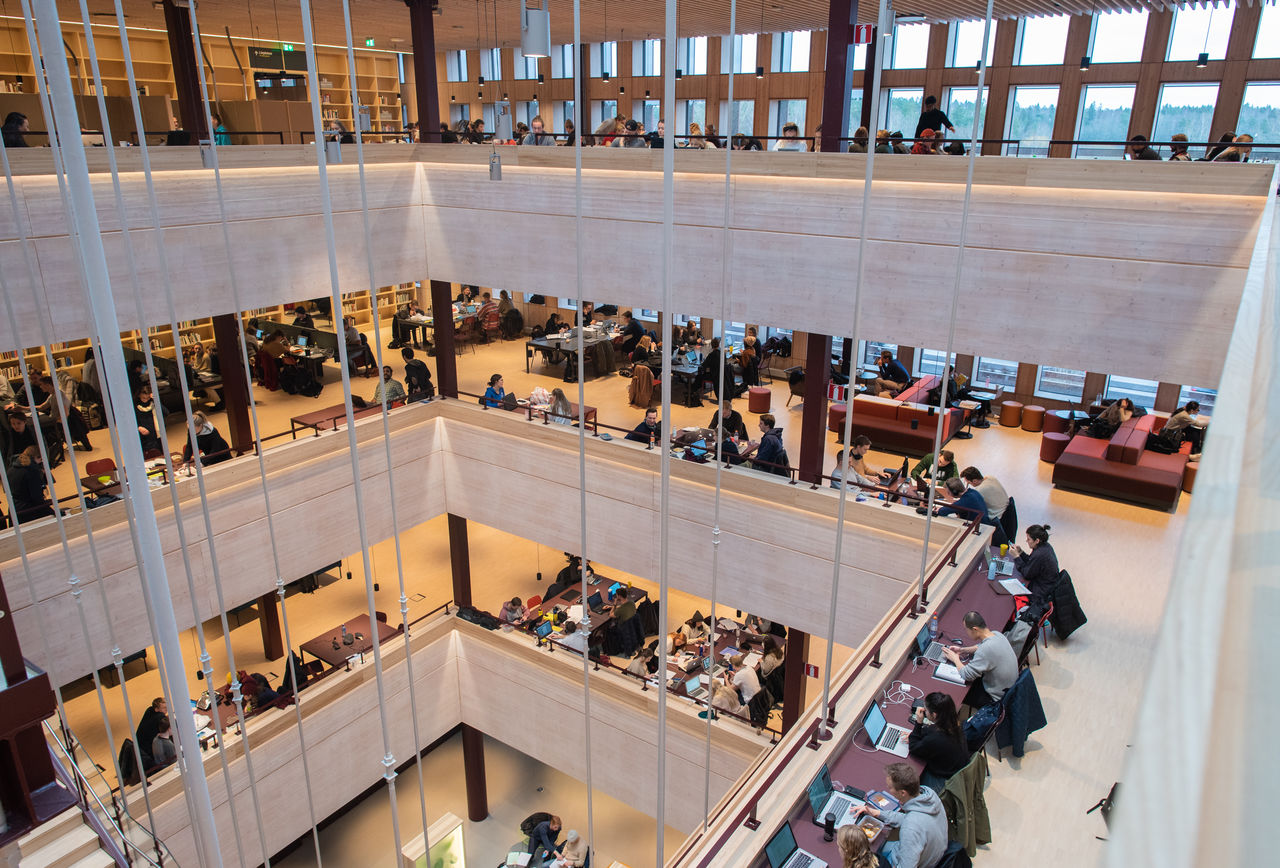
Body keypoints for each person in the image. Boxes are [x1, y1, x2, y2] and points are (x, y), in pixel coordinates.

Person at [853, 763, 947, 868]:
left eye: (890, 787)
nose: (888, 789)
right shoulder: (930, 797)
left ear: (903, 793)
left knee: (862, 852)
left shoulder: (910, 829)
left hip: (911, 862)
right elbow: (909, 819)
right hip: (932, 853)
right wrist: (877, 813)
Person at [942, 611, 1018, 710]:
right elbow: (980, 646)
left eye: (966, 629)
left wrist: (955, 659)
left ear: (974, 629)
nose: (966, 632)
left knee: (956, 691)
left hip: (996, 699)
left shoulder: (986, 650)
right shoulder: (996, 634)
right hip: (1009, 691)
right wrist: (962, 650)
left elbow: (966, 674)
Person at [908, 692, 969, 792]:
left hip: (944, 780)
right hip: (957, 770)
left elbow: (913, 748)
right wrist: (918, 733)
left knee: (910, 781)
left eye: (926, 710)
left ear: (934, 715)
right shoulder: (954, 723)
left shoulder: (935, 739)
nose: (924, 711)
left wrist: (918, 723)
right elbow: (931, 730)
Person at [1013, 524, 1059, 619]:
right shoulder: (1045, 547)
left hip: (1041, 591)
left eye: (1029, 539)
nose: (1027, 541)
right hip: (1048, 585)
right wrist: (1020, 552)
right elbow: (1031, 562)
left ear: (1037, 540)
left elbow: (1027, 574)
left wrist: (1016, 557)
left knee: (1014, 593)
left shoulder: (1040, 554)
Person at [34, 375, 91, 452]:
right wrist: (23, 408)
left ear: (47, 385)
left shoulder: (59, 395)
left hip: (69, 419)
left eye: (41, 385)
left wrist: (56, 423)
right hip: (60, 418)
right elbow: (42, 407)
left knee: (47, 430)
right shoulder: (52, 395)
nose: (40, 387)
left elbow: (66, 413)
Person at [7, 446, 54, 522]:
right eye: (41, 459)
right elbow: (36, 497)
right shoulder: (32, 471)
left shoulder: (11, 469)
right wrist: (52, 512)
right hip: (29, 511)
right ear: (38, 457)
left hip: (14, 508)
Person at [135, 697, 167, 769]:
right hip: (148, 750)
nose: (166, 709)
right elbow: (167, 727)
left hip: (139, 745)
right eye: (164, 708)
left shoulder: (149, 710)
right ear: (156, 709)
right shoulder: (160, 717)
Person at [134, 384, 161, 455]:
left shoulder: (153, 403)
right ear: (139, 395)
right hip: (143, 437)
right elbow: (131, 421)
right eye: (143, 398)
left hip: (156, 435)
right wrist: (139, 427)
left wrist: (156, 400)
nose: (146, 400)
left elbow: (166, 412)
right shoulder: (135, 406)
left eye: (148, 398)